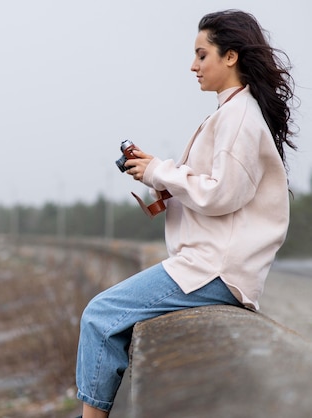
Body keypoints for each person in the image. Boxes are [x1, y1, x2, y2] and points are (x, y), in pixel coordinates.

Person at [75, 9, 297, 418]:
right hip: (210, 265)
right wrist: (156, 171)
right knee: (105, 317)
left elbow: (220, 194)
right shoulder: (232, 112)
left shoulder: (239, 117)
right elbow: (216, 187)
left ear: (230, 57)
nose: (192, 66)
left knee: (100, 316)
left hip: (213, 269)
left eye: (201, 55)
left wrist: (161, 170)